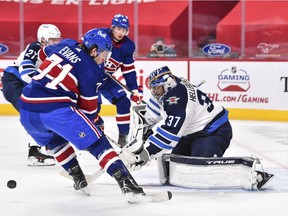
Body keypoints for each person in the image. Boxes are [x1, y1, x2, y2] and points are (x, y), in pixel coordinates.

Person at [17, 28, 146, 203]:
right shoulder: (91, 72)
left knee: (54, 141)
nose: (105, 59)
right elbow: (88, 111)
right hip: (55, 109)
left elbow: (43, 51)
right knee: (98, 142)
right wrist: (96, 123)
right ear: (93, 50)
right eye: (104, 54)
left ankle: (78, 177)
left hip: (26, 109)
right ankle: (128, 184)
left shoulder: (66, 44)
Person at [120, 66, 274, 190]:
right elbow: (152, 112)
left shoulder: (178, 100)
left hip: (213, 132)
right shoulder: (171, 86)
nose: (154, 93)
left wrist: (147, 153)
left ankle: (249, 174)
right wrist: (146, 127)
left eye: (157, 89)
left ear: (167, 83)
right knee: (178, 167)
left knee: (201, 172)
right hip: (190, 134)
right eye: (153, 89)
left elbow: (170, 135)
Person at [1, 24, 62, 166]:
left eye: (58, 40)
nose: (56, 43)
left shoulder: (52, 53)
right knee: (31, 112)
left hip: (21, 84)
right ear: (43, 39)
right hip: (14, 82)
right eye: (53, 40)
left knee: (42, 112)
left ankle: (46, 145)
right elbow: (26, 74)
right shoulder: (35, 47)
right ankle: (35, 153)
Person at [100, 14, 143, 147]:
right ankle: (92, 135)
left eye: (124, 30)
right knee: (92, 106)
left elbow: (128, 69)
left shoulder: (128, 46)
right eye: (119, 29)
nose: (121, 33)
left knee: (124, 103)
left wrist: (134, 88)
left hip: (106, 79)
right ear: (112, 27)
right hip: (89, 76)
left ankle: (123, 136)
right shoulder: (101, 35)